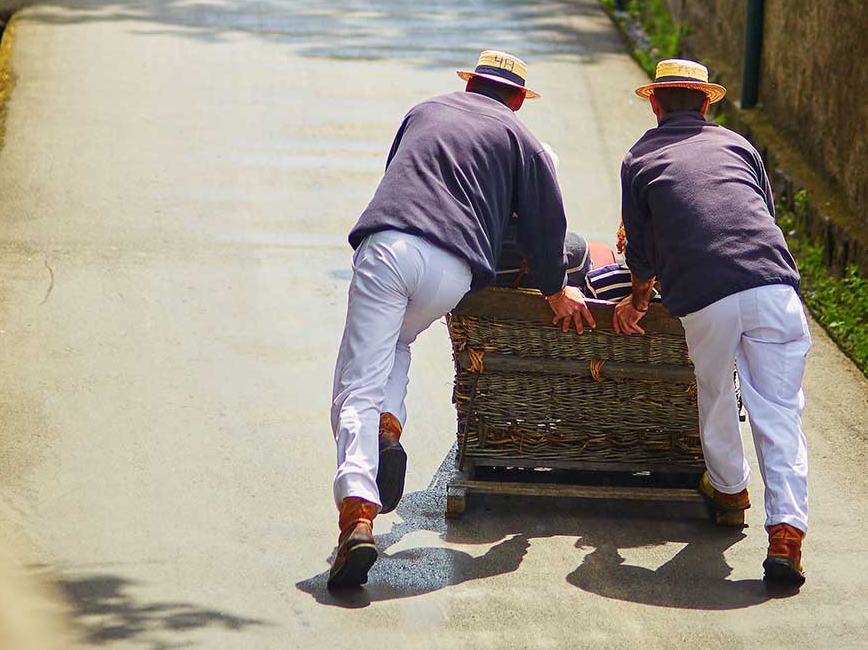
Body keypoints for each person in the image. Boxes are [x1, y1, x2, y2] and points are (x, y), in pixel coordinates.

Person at [327, 50, 595, 589]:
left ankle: (358, 512)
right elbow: (550, 228)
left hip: (392, 247)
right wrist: (554, 287)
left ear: (470, 84)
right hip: (453, 271)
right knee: (399, 344)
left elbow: (397, 179)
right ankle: (388, 428)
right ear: (518, 101)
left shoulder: (423, 111)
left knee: (358, 381)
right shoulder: (524, 142)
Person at [612, 58, 811, 587]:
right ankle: (787, 534)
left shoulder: (639, 158)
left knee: (717, 391)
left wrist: (636, 299)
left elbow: (641, 249)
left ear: (654, 104)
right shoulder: (739, 145)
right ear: (707, 103)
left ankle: (729, 490)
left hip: (706, 296)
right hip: (773, 287)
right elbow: (760, 211)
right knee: (780, 412)